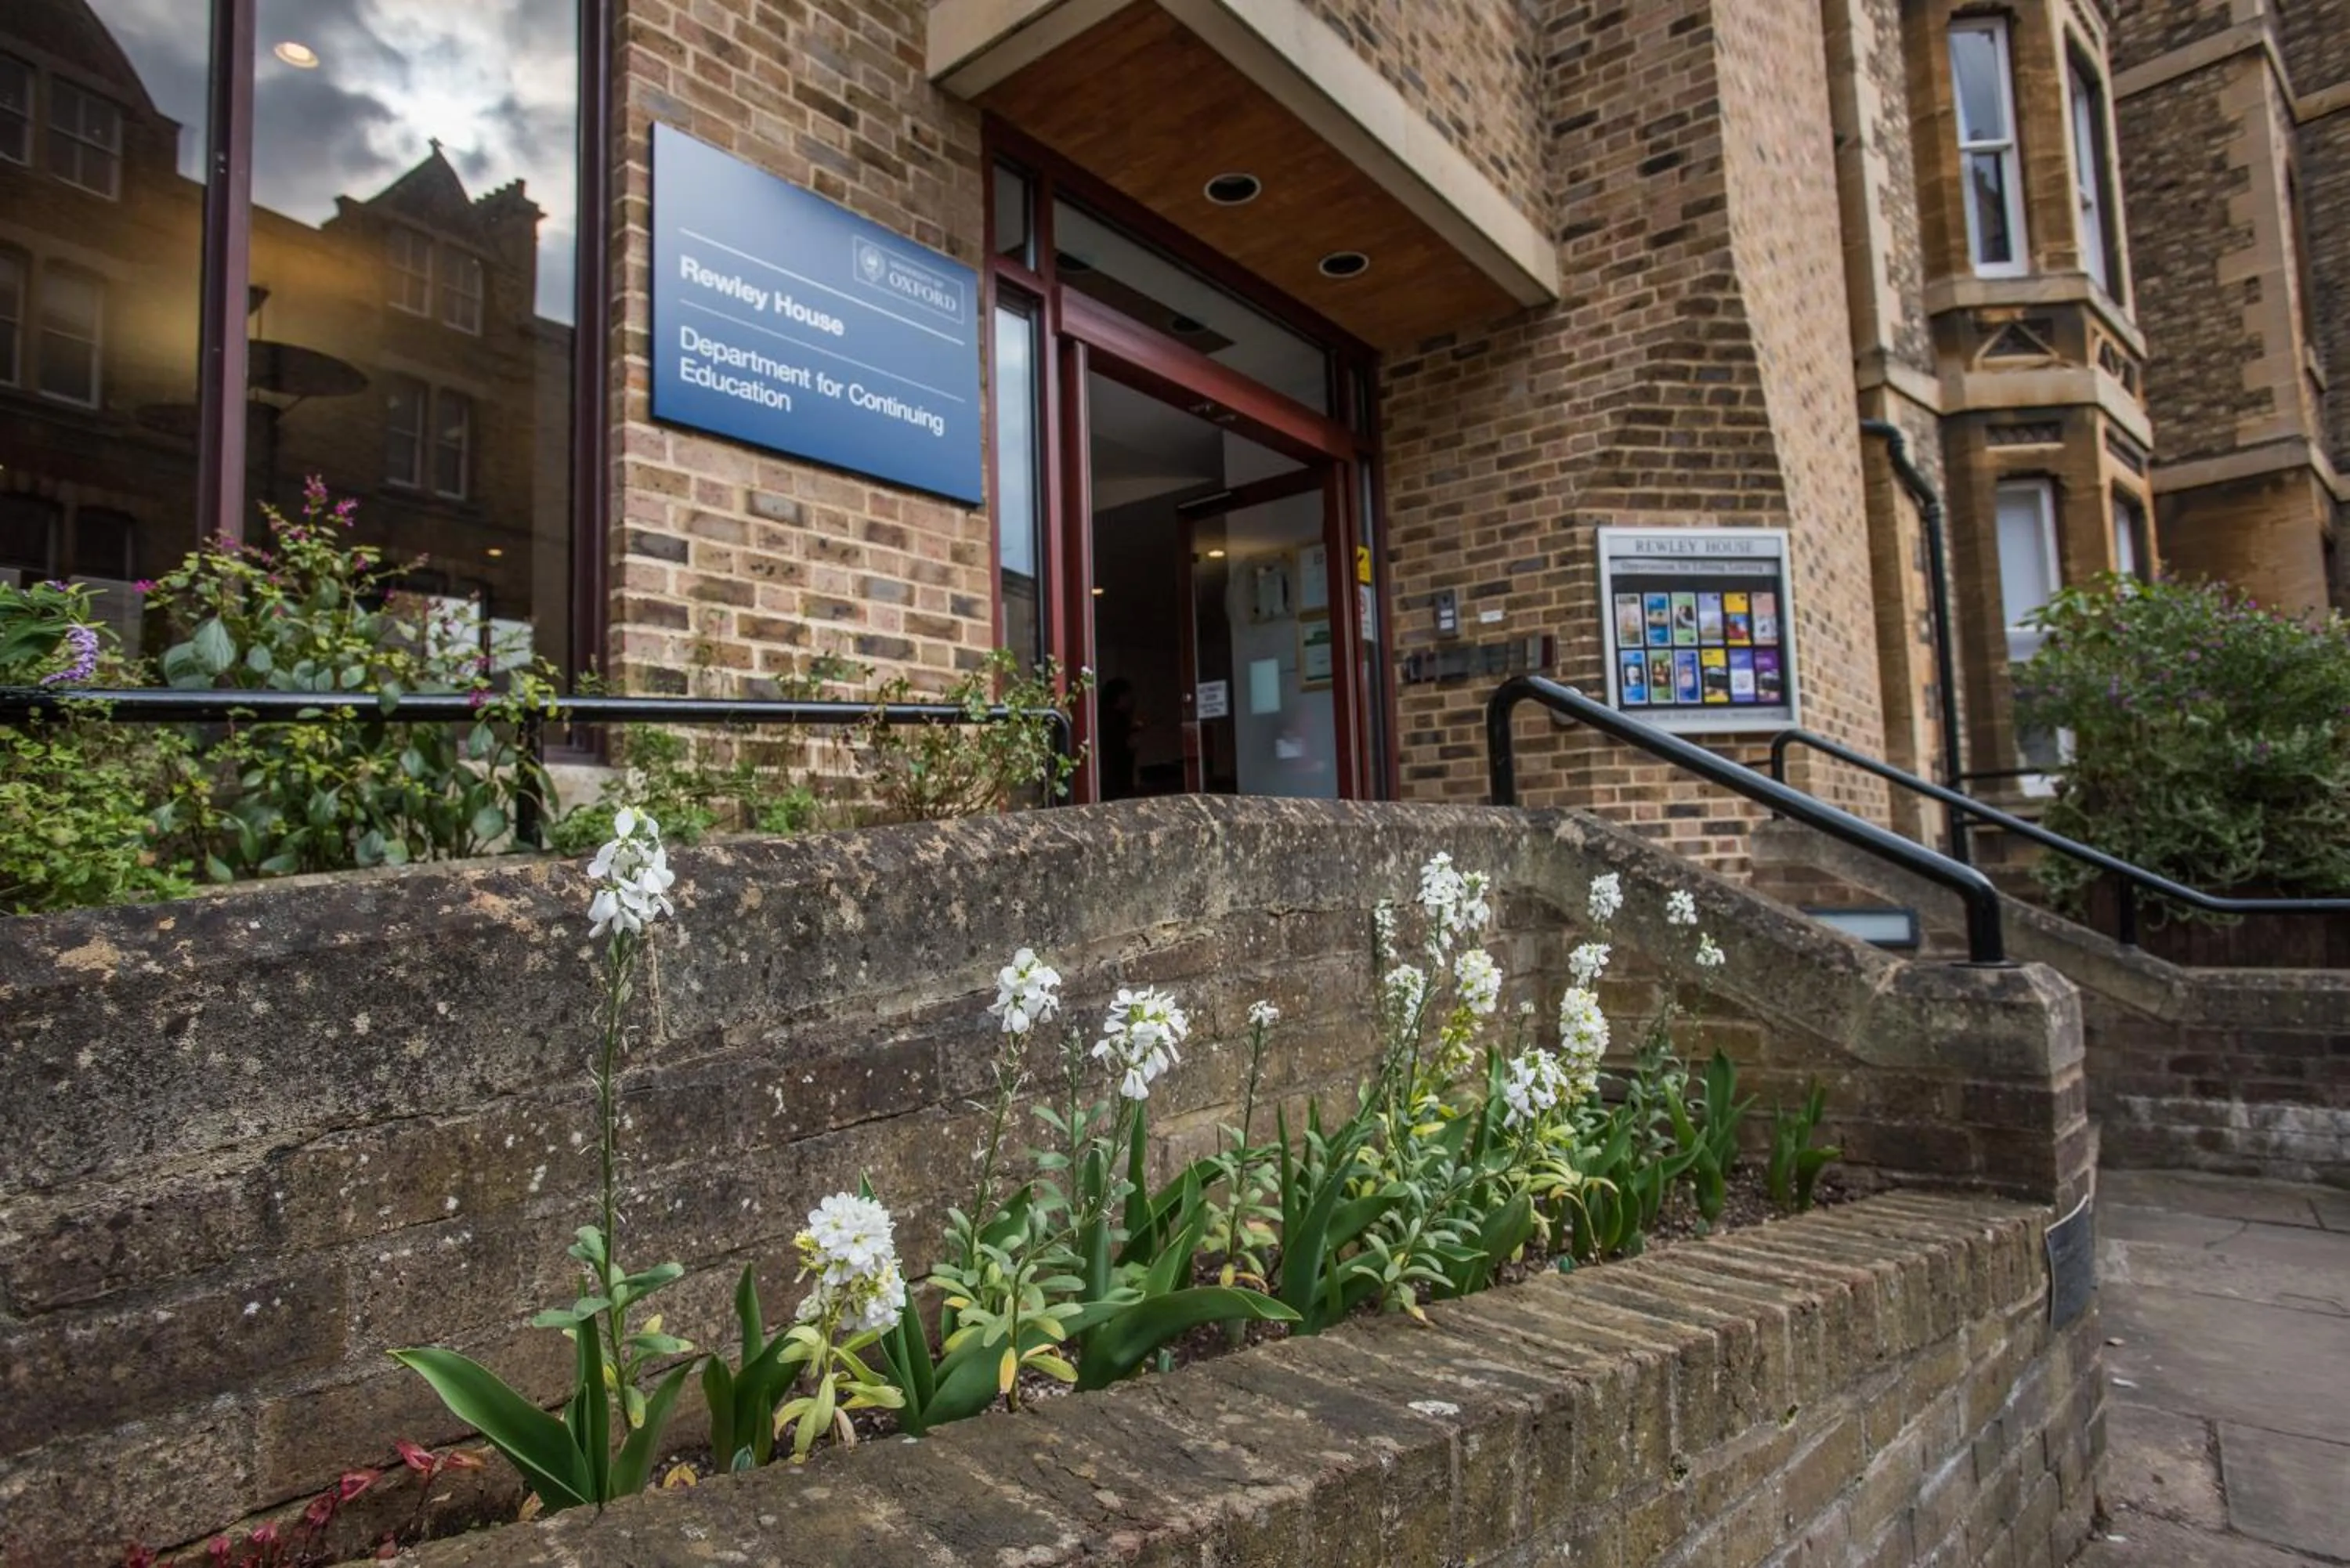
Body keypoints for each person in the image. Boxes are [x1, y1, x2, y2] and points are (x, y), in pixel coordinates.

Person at [1097, 677, 1140, 800]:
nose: (1133, 700)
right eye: (1128, 696)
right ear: (1120, 698)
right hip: (1116, 782)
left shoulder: (1103, 718)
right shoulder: (1118, 720)